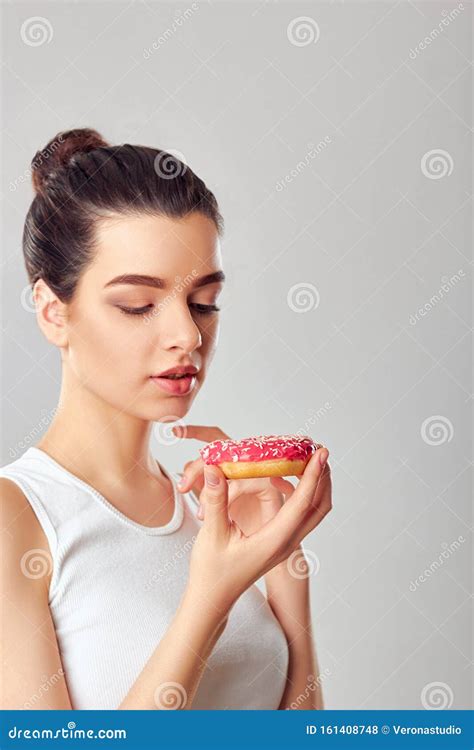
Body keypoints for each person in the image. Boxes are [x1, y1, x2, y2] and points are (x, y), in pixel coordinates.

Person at [0, 128, 332, 710]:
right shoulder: (18, 521)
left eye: (203, 302)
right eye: (138, 305)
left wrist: (285, 574)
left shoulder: (208, 514)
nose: (187, 335)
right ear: (54, 313)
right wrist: (209, 601)